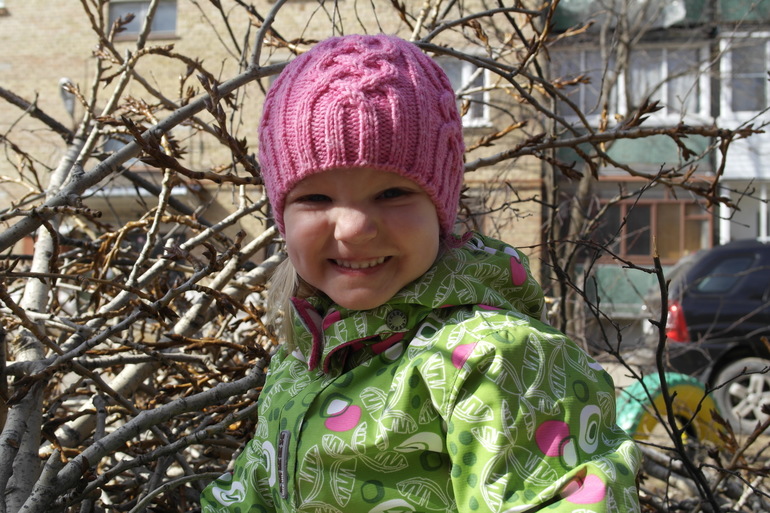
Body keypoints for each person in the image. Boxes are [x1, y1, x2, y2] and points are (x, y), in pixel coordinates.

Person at [200, 34, 641, 513]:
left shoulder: (495, 362)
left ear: (441, 208)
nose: (354, 229)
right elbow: (253, 493)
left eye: (392, 194)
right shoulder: (302, 359)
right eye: (315, 198)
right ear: (282, 216)